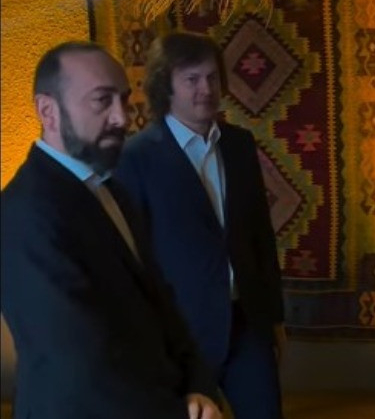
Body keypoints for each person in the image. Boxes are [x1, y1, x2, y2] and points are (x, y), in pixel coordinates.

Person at [0, 42, 222, 419]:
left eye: (124, 99)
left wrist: (198, 387)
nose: (122, 118)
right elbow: (83, 365)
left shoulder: (112, 190)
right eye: (102, 101)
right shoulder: (24, 213)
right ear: (48, 111)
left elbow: (161, 306)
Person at [114, 32, 285, 419]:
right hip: (179, 333)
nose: (206, 89)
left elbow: (260, 236)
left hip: (246, 325)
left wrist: (274, 317)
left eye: (212, 77)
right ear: (165, 86)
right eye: (192, 79)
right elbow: (129, 259)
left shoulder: (240, 145)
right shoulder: (135, 158)